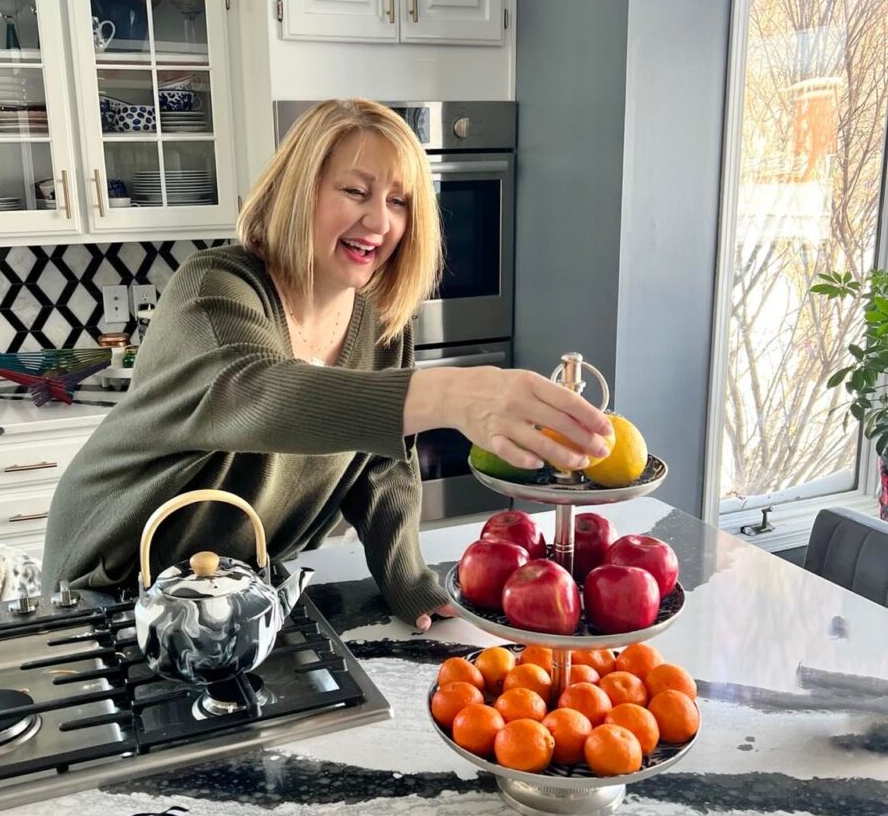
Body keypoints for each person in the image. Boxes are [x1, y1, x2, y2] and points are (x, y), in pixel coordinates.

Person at [42, 99, 612, 630]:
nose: (379, 222)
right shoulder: (214, 288)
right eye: (356, 191)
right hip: (113, 579)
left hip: (236, 588)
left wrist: (406, 579)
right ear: (300, 191)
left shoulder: (379, 316)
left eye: (399, 201)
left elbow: (381, 465)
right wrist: (449, 395)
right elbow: (255, 393)